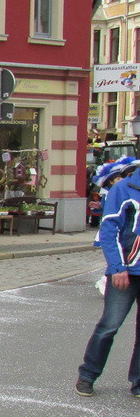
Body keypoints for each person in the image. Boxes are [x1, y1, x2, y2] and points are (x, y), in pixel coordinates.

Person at [76, 161, 140, 398]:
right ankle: (88, 375)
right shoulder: (124, 189)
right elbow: (109, 230)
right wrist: (117, 268)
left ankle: (138, 381)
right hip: (126, 271)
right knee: (109, 326)